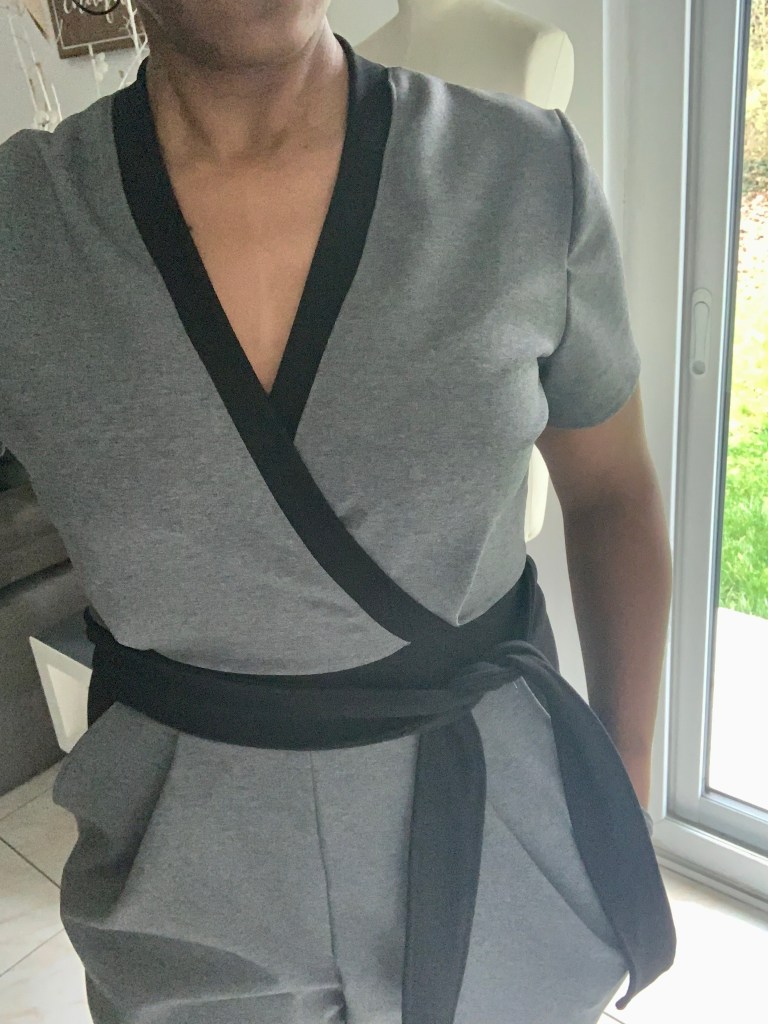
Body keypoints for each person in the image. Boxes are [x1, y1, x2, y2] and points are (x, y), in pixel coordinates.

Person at [0, 2, 675, 1022]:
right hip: (187, 897)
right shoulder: (23, 230)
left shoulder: (524, 174)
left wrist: (623, 775)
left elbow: (613, 490)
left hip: (504, 838)